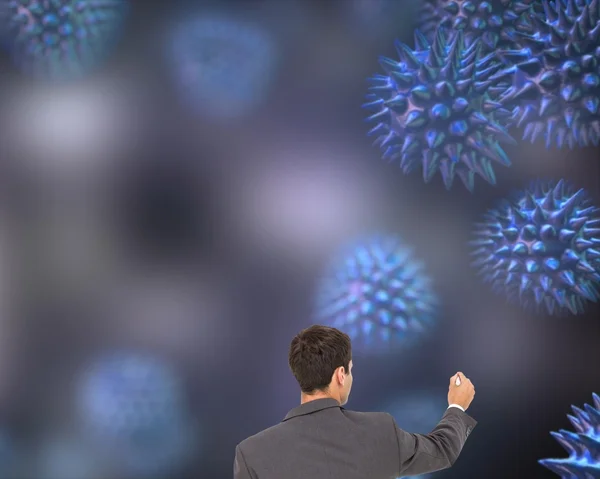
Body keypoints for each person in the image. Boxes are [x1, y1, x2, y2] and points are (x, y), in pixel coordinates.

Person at [233, 325, 477, 479]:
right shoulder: (380, 431)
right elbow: (442, 450)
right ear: (340, 375)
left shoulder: (251, 453)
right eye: (350, 370)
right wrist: (457, 406)